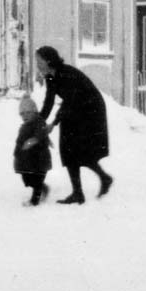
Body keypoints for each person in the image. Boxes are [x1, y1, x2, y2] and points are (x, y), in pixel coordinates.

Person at [36, 45, 113, 204]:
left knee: (78, 149)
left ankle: (97, 183)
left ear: (49, 61)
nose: (37, 64)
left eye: (39, 61)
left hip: (91, 109)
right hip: (76, 108)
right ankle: (86, 188)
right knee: (70, 149)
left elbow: (71, 100)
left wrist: (54, 123)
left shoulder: (66, 73)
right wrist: (38, 120)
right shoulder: (50, 77)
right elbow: (49, 101)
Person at [13, 95, 52, 206]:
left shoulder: (39, 122)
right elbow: (19, 141)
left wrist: (32, 141)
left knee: (37, 179)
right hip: (27, 159)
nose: (25, 116)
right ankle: (44, 188)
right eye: (22, 114)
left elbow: (40, 134)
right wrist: (16, 153)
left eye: (28, 113)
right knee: (28, 179)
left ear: (34, 112)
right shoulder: (24, 126)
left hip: (40, 158)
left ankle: (34, 201)